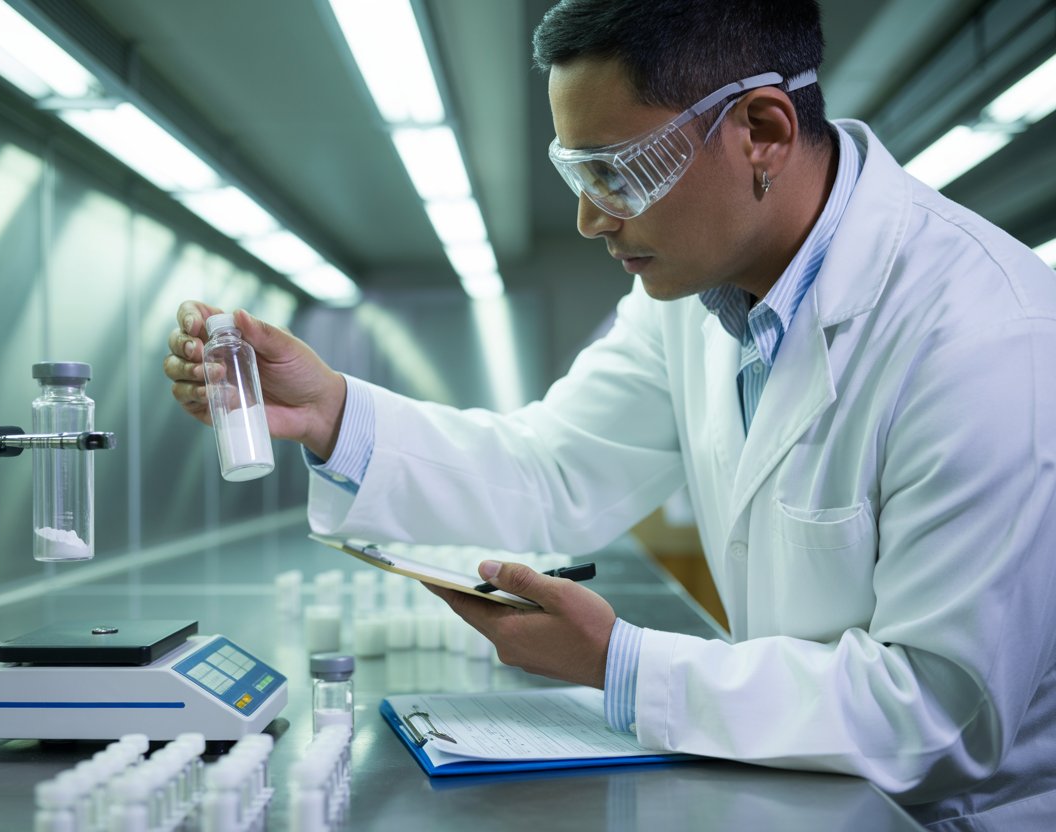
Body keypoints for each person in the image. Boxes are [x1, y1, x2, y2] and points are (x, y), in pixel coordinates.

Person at [164, 1, 1056, 828]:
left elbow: (938, 712)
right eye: (576, 172)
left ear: (762, 132)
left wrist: (622, 665)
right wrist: (332, 413)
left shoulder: (985, 335)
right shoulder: (693, 299)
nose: (592, 217)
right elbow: (556, 470)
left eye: (619, 171)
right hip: (810, 790)